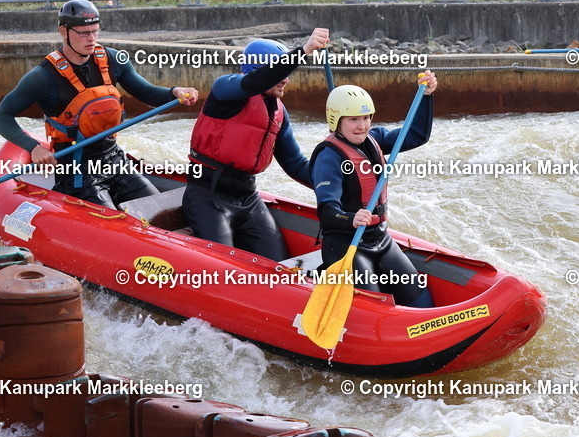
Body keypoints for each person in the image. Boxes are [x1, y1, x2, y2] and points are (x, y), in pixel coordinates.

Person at [0, 0, 199, 208]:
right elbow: (0, 116)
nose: (92, 39)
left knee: (160, 211)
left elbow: (147, 93)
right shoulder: (42, 77)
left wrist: (175, 92)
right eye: (84, 33)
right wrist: (33, 147)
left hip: (115, 162)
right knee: (109, 220)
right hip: (76, 173)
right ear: (64, 31)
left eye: (95, 31)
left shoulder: (113, 59)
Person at [182, 28, 331, 261]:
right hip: (208, 196)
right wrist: (303, 51)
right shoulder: (224, 90)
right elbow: (253, 83)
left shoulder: (278, 111)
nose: (287, 79)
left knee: (278, 265)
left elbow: (295, 164)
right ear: (258, 70)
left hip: (249, 198)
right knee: (223, 266)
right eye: (280, 71)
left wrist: (331, 183)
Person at [309, 73, 438, 308]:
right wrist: (351, 218)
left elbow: (417, 135)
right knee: (377, 307)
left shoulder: (374, 138)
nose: (362, 126)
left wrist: (427, 96)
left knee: (421, 298)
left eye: (367, 117)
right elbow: (327, 211)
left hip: (380, 239)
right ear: (336, 120)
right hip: (346, 246)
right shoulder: (328, 156)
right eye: (354, 119)